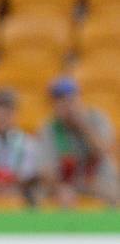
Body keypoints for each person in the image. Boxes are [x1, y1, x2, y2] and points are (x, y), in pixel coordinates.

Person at [39, 78, 118, 207]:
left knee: (114, 193)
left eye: (70, 99)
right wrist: (59, 188)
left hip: (100, 179)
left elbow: (104, 151)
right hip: (69, 183)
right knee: (47, 197)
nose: (66, 105)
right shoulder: (50, 128)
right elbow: (45, 170)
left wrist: (83, 126)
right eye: (60, 101)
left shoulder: (97, 118)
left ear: (79, 99)